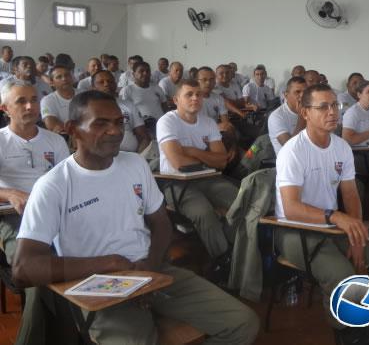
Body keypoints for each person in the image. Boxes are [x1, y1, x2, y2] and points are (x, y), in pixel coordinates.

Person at [12, 90, 259, 345]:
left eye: (119, 122)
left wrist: (149, 272)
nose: (115, 131)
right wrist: (108, 264)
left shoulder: (135, 165)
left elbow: (161, 224)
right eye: (101, 123)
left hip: (150, 269)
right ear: (72, 129)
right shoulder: (54, 185)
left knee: (242, 323)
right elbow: (23, 269)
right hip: (98, 285)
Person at [276, 83, 369, 344]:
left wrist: (356, 237)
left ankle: (367, 313)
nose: (332, 112)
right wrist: (336, 217)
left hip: (332, 224)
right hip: (294, 230)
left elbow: (350, 195)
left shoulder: (341, 147)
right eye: (323, 107)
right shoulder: (293, 150)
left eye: (335, 105)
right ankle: (347, 332)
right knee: (343, 275)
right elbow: (291, 207)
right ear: (305, 113)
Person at [0, 80, 70, 345]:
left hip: (56, 216)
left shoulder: (55, 141)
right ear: (5, 108)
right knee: (36, 271)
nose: (30, 106)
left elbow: (68, 181)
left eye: (34, 99)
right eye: (21, 101)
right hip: (12, 217)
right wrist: (10, 193)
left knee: (82, 255)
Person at [156, 80, 238, 266]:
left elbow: (222, 161)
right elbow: (178, 163)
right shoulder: (167, 121)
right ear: (176, 99)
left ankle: (237, 250)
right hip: (175, 183)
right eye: (189, 94)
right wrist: (208, 157)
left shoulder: (208, 122)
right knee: (204, 213)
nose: (195, 98)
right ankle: (223, 260)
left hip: (208, 178)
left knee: (241, 202)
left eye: (198, 94)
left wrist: (192, 151)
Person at [93, 70, 150, 153]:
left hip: (131, 156)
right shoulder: (88, 109)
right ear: (93, 87)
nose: (106, 84)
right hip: (100, 159)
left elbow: (143, 137)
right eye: (101, 82)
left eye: (110, 81)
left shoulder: (128, 105)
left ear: (115, 84)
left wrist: (138, 158)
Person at [268, 76, 306, 155]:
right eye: (297, 92)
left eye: (305, 92)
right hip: (290, 162)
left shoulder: (311, 110)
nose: (302, 95)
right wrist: (302, 117)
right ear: (286, 95)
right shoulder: (277, 116)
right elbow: (290, 148)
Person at [197, 66, 239, 133]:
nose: (208, 83)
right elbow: (191, 126)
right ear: (197, 81)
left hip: (214, 133)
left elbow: (225, 122)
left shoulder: (218, 98)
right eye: (204, 80)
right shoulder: (191, 100)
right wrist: (216, 127)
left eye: (211, 79)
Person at [41, 65, 77, 134]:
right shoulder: (47, 100)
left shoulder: (85, 94)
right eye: (59, 77)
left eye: (67, 75)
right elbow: (52, 125)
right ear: (51, 83)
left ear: (72, 78)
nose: (64, 79)